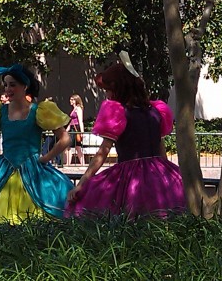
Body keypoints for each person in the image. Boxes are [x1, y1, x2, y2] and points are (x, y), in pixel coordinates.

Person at [65, 53, 186, 218]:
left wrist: (82, 184)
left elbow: (103, 152)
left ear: (119, 88)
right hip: (158, 171)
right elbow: (160, 147)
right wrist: (166, 178)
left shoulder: (119, 112)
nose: (106, 94)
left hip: (132, 176)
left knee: (129, 218)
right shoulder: (156, 111)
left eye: (108, 90)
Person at [0, 64, 74, 224]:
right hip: (5, 167)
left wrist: (46, 158)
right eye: (5, 85)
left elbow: (65, 138)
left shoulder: (39, 111)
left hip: (32, 170)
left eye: (13, 84)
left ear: (25, 86)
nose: (8, 89)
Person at [66, 94, 85, 166]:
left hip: (76, 129)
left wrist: (82, 132)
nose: (70, 101)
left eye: (72, 100)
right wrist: (67, 129)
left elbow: (80, 121)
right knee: (77, 147)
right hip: (72, 128)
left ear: (76, 100)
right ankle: (82, 164)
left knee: (71, 146)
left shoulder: (78, 109)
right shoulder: (74, 109)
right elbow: (71, 121)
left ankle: (68, 164)